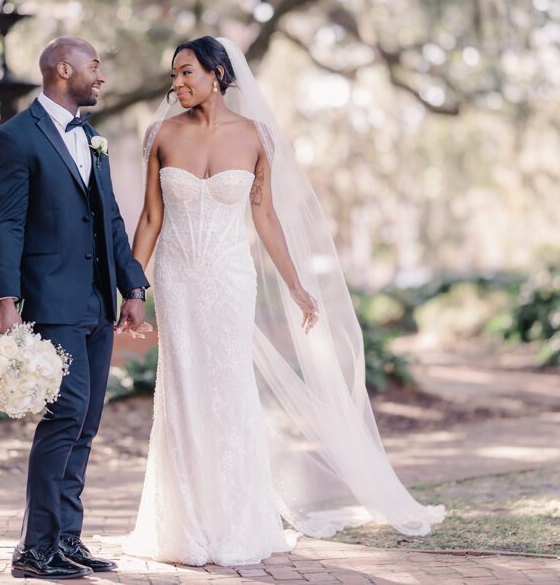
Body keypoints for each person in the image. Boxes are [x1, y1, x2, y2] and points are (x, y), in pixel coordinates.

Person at [124, 36, 444, 567]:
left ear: (218, 73)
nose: (176, 84)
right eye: (173, 75)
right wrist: (135, 288)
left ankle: (236, 520)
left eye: (186, 73)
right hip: (178, 278)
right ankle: (184, 526)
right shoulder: (160, 135)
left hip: (230, 278)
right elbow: (150, 218)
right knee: (181, 385)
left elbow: (265, 216)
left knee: (229, 386)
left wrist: (296, 284)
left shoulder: (256, 137)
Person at [0, 36, 149, 580]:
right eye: (94, 67)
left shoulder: (93, 138)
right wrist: (6, 299)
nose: (100, 77)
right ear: (63, 69)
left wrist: (132, 289)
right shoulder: (13, 139)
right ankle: (34, 549)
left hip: (99, 303)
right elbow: (6, 223)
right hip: (52, 299)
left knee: (87, 423)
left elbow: (113, 221)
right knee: (65, 416)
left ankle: (67, 540)